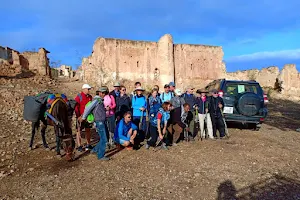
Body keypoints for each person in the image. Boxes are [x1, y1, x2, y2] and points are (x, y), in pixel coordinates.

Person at [81, 87, 110, 161]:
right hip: (99, 122)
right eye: (102, 93)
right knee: (104, 139)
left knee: (102, 138)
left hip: (101, 121)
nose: (103, 94)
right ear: (99, 93)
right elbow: (88, 108)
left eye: (104, 93)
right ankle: (100, 156)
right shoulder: (97, 100)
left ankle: (94, 150)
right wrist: (84, 117)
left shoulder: (99, 100)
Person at [74, 84, 93, 152]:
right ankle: (79, 146)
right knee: (78, 131)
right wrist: (78, 116)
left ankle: (88, 144)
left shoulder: (90, 97)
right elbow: (76, 107)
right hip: (80, 117)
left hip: (88, 117)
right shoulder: (79, 97)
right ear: (84, 89)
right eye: (88, 89)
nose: (89, 90)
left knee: (88, 130)